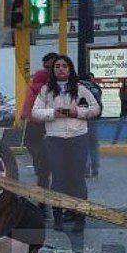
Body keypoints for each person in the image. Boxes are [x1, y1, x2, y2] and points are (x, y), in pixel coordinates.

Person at [30, 55, 101, 231]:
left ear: (70, 69)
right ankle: (58, 218)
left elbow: (95, 109)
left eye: (64, 66)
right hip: (55, 139)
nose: (61, 69)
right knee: (58, 179)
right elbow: (35, 112)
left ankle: (79, 218)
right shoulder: (46, 90)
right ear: (53, 70)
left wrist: (77, 112)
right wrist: (53, 113)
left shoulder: (80, 89)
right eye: (57, 66)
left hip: (78, 138)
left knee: (77, 179)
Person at [20, 52, 60, 189]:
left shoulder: (39, 79)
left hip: (38, 121)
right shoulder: (49, 81)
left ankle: (42, 170)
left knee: (35, 146)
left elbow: (29, 100)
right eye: (47, 67)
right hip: (46, 122)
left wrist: (24, 115)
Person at [79, 70, 103, 177]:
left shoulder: (78, 88)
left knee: (84, 145)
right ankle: (95, 169)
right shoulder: (96, 88)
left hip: (82, 119)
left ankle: (85, 169)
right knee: (93, 145)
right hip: (94, 118)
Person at [112, 78, 127, 143]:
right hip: (124, 110)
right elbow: (124, 98)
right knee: (120, 125)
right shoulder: (122, 90)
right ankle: (115, 139)